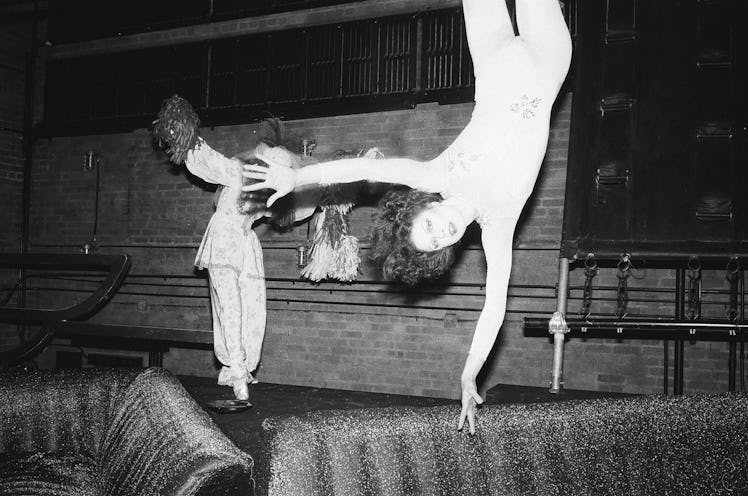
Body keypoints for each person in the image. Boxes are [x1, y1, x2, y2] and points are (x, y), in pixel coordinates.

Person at [242, 0, 572, 432]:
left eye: (430, 227)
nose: (443, 232)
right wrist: (470, 372)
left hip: (492, 60)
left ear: (425, 206)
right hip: (546, 63)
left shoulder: (436, 174)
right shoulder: (499, 223)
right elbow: (494, 307)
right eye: (438, 241)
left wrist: (299, 177)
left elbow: (368, 168)